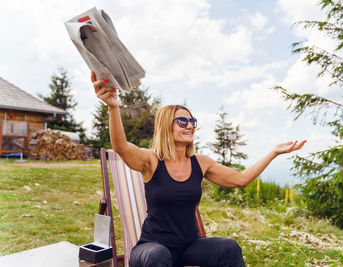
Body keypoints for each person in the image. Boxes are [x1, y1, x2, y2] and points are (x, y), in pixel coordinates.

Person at [92, 71, 306, 267]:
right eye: (182, 121)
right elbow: (121, 147)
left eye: (192, 121)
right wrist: (113, 107)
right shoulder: (151, 161)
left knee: (229, 248)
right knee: (159, 257)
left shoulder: (201, 163)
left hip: (189, 246)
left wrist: (274, 152)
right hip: (151, 248)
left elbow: (241, 179)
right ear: (167, 126)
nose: (190, 125)